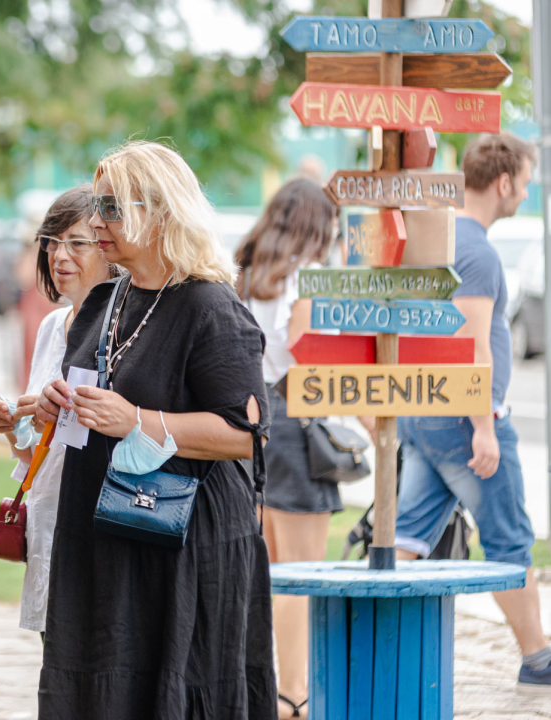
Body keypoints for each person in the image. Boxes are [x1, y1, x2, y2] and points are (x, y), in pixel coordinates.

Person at [34, 140, 277, 719]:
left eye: (113, 208)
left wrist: (135, 421)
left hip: (183, 546)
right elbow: (98, 396)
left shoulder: (211, 307)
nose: (96, 221)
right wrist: (57, 404)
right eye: (99, 205)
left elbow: (246, 435)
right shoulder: (104, 302)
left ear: (162, 212)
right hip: (101, 538)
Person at [393, 132, 551, 690]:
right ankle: (539, 658)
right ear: (504, 182)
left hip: (421, 410)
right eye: (526, 183)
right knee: (509, 538)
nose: (526, 193)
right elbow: (472, 343)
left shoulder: (435, 236)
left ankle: (368, 632)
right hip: (466, 420)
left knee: (406, 536)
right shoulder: (478, 252)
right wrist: (484, 425)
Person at [0, 186, 116, 637]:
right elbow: (35, 457)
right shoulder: (51, 325)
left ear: (110, 248)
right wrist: (9, 425)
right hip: (48, 524)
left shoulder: (125, 332)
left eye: (77, 243)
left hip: (101, 534)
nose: (60, 255)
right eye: (52, 242)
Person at [234, 178, 341, 718]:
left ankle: (269, 688)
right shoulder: (306, 280)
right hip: (294, 426)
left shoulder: (247, 273)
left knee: (265, 571)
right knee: (302, 574)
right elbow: (309, 365)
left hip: (251, 428)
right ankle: (293, 695)